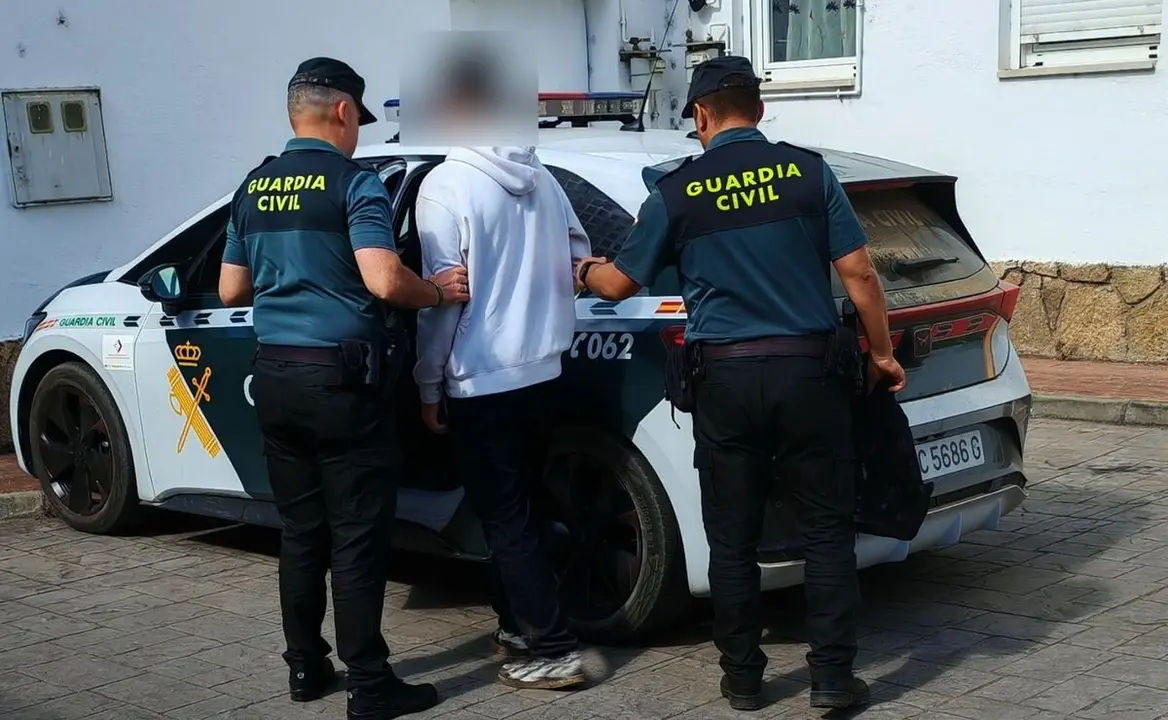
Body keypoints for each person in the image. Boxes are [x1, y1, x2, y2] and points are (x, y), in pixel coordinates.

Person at [575, 55, 906, 712]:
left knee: (732, 536)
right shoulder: (809, 172)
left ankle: (744, 680)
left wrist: (583, 269)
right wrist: (881, 353)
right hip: (809, 375)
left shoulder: (676, 191)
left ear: (701, 115)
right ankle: (832, 679)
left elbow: (618, 284)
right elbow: (861, 275)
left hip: (724, 380)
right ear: (758, 108)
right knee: (826, 530)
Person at [218, 57, 470, 720]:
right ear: (341, 111)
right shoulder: (353, 184)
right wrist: (435, 292)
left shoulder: (254, 185)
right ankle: (369, 684)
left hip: (275, 377)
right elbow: (384, 279)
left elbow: (230, 288)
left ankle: (305, 668)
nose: (359, 130)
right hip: (343, 382)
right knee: (357, 537)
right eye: (358, 117)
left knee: (301, 532)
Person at [411, 69, 592, 691]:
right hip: (546, 370)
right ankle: (517, 627)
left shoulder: (443, 186)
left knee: (507, 520)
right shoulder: (544, 178)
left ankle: (552, 648)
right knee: (531, 508)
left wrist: (428, 384)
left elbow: (443, 299)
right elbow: (578, 254)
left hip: (481, 381)